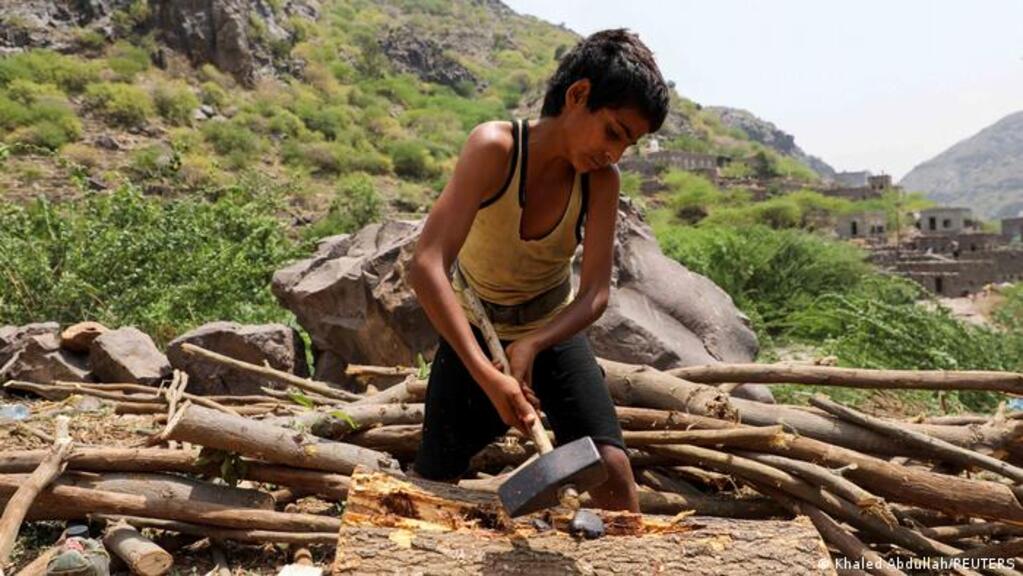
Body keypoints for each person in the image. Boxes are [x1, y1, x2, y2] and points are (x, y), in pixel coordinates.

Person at [407, 29, 669, 511]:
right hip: (475, 331)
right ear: (577, 95)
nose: (615, 154)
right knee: (432, 483)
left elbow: (594, 295)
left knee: (612, 473)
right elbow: (426, 265)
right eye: (613, 131)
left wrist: (531, 343)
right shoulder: (495, 149)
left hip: (549, 332)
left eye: (628, 144)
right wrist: (489, 373)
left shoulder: (601, 182)